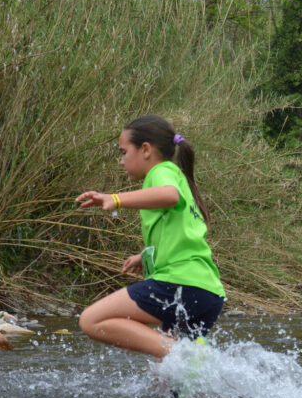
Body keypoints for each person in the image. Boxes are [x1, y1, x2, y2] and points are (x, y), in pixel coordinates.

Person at [76, 115, 225, 358]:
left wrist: (115, 199)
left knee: (92, 320)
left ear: (145, 149)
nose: (121, 161)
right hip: (206, 291)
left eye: (124, 152)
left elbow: (169, 196)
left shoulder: (160, 171)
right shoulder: (176, 175)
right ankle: (199, 364)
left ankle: (186, 355)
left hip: (181, 283)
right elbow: (180, 235)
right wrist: (144, 256)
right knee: (168, 375)